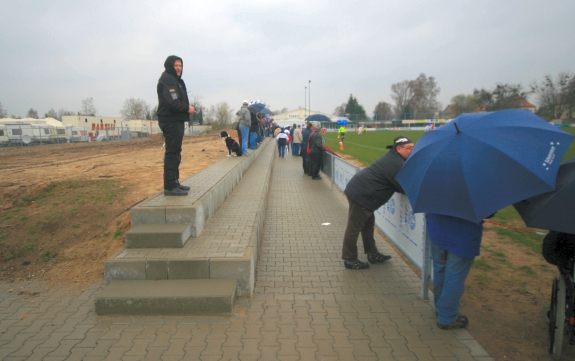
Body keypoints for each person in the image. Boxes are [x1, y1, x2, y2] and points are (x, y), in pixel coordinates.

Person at [341, 136, 414, 268]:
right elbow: (402, 187)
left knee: (368, 226)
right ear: (399, 149)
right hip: (362, 195)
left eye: (413, 147)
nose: (412, 150)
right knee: (353, 229)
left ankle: (372, 254)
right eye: (409, 148)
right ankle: (350, 260)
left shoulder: (395, 159)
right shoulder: (396, 164)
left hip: (364, 195)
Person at [425, 214, 486, 330]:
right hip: (463, 235)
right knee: (454, 277)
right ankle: (447, 317)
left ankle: (441, 308)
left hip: (437, 229)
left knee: (440, 271)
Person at [156, 55, 195, 196]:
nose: (178, 68)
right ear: (170, 66)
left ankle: (175, 182)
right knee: (172, 153)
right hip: (170, 120)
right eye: (176, 65)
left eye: (180, 65)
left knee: (176, 152)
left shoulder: (175, 80)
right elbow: (172, 102)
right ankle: (170, 186)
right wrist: (187, 108)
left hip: (176, 120)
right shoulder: (167, 79)